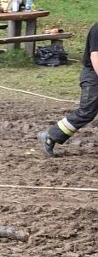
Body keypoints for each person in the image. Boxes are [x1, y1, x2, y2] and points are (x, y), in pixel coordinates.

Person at [38, 21, 98, 157]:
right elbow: (95, 57)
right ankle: (50, 135)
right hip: (93, 76)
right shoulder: (97, 29)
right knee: (87, 112)